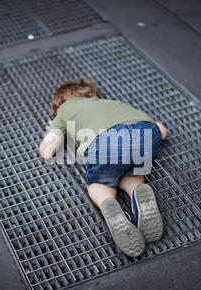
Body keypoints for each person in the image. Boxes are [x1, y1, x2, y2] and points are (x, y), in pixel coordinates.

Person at [39, 78, 168, 257]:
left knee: (99, 184)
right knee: (132, 170)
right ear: (92, 95)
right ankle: (138, 193)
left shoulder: (64, 112)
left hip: (106, 142)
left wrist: (54, 131)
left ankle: (109, 205)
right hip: (145, 133)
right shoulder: (113, 104)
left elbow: (47, 150)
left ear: (59, 108)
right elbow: (162, 131)